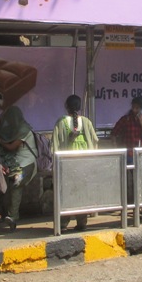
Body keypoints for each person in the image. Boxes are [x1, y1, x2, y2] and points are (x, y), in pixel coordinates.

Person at [52, 95, 99, 231]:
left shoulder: (61, 122)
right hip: (84, 165)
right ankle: (82, 222)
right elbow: (95, 141)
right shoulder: (86, 122)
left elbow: (54, 145)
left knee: (65, 193)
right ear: (79, 107)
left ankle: (63, 223)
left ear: (66, 106)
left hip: (66, 165)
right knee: (82, 193)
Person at [0, 106, 38, 231]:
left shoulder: (24, 130)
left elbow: (11, 147)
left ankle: (13, 216)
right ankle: (3, 213)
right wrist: (1, 115)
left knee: (17, 182)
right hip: (16, 163)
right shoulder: (12, 129)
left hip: (27, 163)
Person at [111, 96, 142, 217]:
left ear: (141, 109)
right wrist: (116, 148)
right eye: (133, 107)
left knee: (140, 181)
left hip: (138, 154)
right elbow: (114, 133)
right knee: (127, 182)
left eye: (137, 108)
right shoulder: (126, 119)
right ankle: (125, 206)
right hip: (127, 153)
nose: (134, 110)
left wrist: (141, 122)